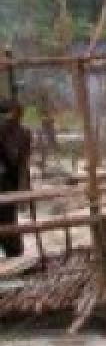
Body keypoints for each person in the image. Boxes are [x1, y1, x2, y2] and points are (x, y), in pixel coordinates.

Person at [0, 99, 32, 259]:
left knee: (8, 219)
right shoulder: (19, 131)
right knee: (8, 219)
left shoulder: (19, 132)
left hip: (7, 182)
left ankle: (14, 253)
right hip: (8, 181)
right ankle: (14, 253)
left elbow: (17, 160)